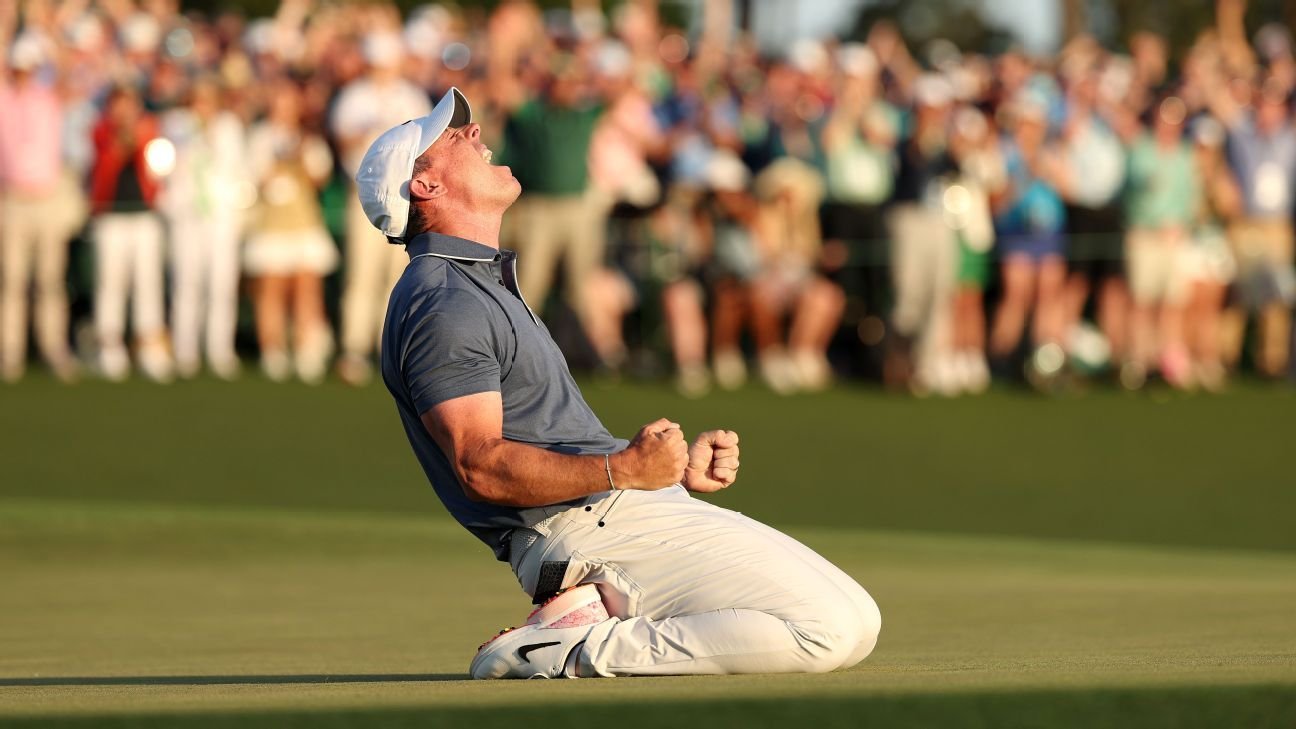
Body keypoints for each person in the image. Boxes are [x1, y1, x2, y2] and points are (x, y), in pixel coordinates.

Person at [358, 88, 880, 679]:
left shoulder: (472, 281)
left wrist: (665, 472)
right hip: (580, 526)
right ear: (425, 187)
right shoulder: (444, 300)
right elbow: (479, 465)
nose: (476, 133)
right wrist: (624, 470)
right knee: (827, 630)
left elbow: (546, 439)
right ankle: (563, 651)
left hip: (614, 508)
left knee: (859, 620)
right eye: (455, 137)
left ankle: (585, 621)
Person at [330, 31, 433, 385]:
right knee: (361, 274)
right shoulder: (354, 96)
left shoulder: (411, 95)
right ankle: (355, 349)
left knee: (397, 277)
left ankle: (389, 349)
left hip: (404, 196)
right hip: (364, 193)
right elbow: (342, 137)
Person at [245, 78, 338, 384]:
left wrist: (299, 155)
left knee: (306, 288)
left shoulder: (308, 139)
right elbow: (255, 179)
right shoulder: (259, 137)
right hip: (270, 224)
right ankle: (272, 351)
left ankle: (306, 349)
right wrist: (279, 159)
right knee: (270, 289)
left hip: (303, 224)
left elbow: (319, 178)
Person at [0, 35, 81, 383]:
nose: (24, 74)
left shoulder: (48, 99)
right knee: (12, 280)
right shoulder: (2, 99)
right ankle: (10, 352)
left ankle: (53, 347)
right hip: (11, 199)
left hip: (47, 198)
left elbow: (70, 75)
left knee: (50, 280)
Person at [159, 75, 249, 380]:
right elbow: (169, 164)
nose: (204, 105)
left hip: (220, 215)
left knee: (221, 284)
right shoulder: (176, 123)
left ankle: (220, 349)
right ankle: (185, 351)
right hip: (186, 214)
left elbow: (235, 166)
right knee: (186, 282)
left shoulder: (228, 127)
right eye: (199, 98)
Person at [87, 85, 172, 382]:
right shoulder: (99, 131)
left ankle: (150, 345)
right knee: (111, 282)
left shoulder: (150, 131)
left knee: (148, 282)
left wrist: (140, 137)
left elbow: (157, 169)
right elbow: (106, 163)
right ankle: (109, 346)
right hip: (111, 216)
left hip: (144, 215)